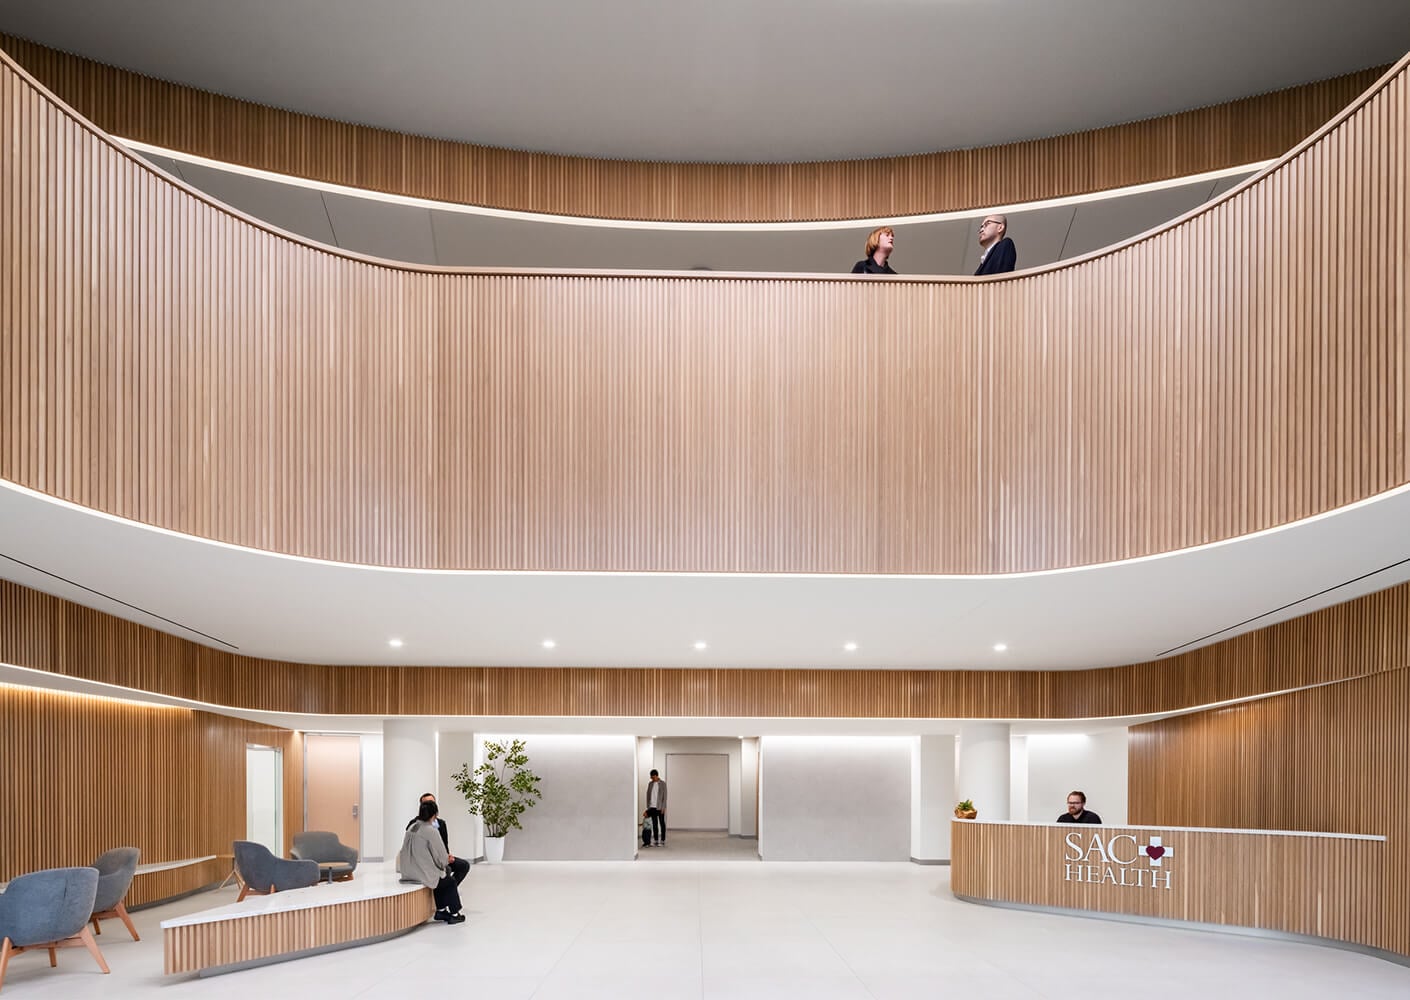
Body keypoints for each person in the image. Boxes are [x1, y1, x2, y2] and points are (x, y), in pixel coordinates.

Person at [399, 799, 465, 923]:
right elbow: (441, 858)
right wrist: (447, 860)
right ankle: (455, 914)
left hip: (407, 871)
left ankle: (440, 911)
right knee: (448, 880)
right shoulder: (431, 831)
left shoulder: (412, 827)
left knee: (441, 877)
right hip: (420, 873)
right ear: (435, 814)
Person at [406, 792, 470, 887]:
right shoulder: (414, 825)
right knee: (445, 870)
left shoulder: (441, 823)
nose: (430, 805)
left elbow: (444, 844)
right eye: (426, 803)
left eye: (432, 803)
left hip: (441, 857)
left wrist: (447, 856)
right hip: (427, 861)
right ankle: (448, 890)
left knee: (464, 865)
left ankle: (451, 889)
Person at [644, 768, 668, 845]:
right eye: (651, 777)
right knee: (654, 824)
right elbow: (648, 794)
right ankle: (656, 840)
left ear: (656, 775)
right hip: (652, 807)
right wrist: (648, 806)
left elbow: (665, 796)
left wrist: (664, 807)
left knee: (662, 823)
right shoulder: (650, 784)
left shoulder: (663, 784)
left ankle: (663, 839)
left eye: (653, 777)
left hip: (660, 807)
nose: (652, 778)